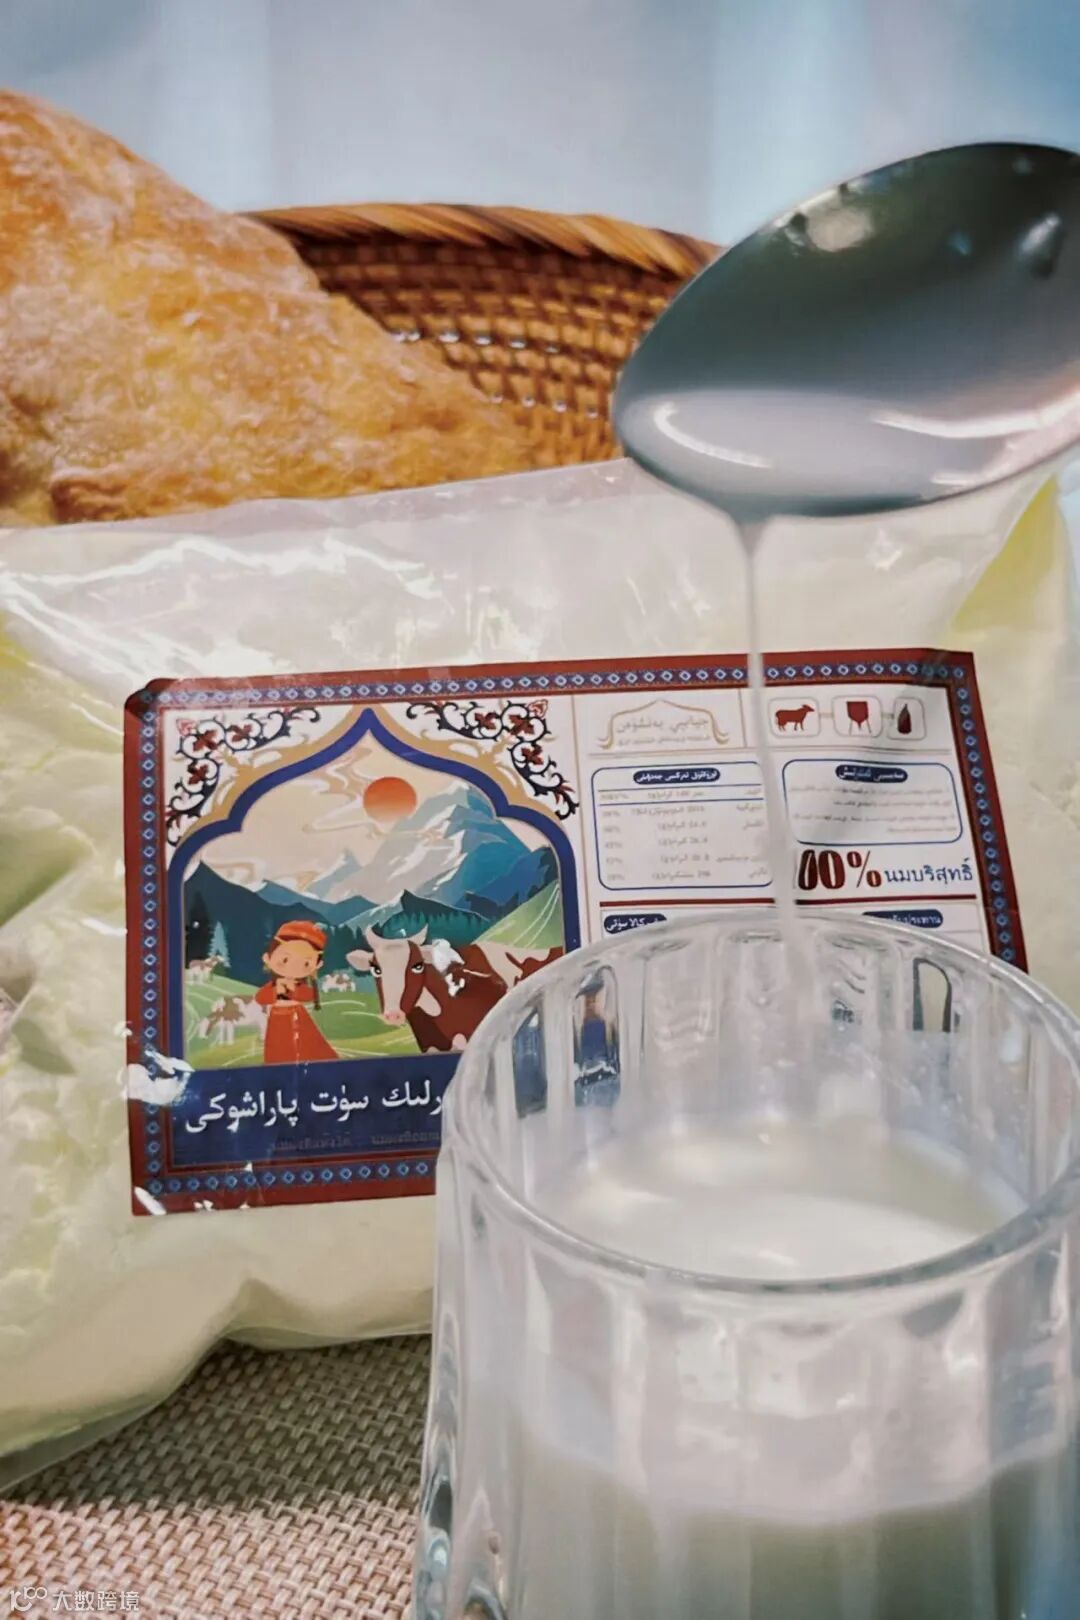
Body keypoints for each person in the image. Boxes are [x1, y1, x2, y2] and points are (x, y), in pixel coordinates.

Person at [254, 919, 338, 1065]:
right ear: (267, 958)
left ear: (317, 965)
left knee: (308, 1044)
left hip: (298, 1015)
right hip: (278, 1018)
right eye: (285, 960)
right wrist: (276, 991)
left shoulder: (298, 986)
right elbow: (261, 997)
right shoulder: (274, 985)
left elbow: (309, 995)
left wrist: (293, 991)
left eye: (306, 963)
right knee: (279, 1047)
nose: (294, 968)